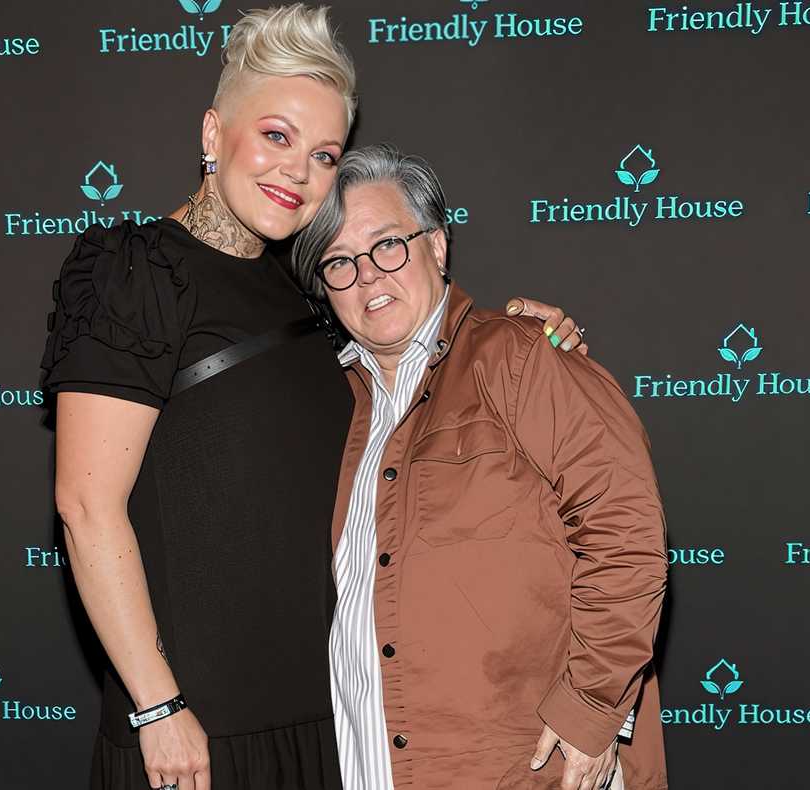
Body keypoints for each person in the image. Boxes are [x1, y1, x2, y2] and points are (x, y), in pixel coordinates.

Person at [41, 7, 585, 790]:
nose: (298, 171)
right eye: (276, 136)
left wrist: (519, 332)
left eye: (325, 153)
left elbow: (411, 370)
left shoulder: (310, 289)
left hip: (330, 720)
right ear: (211, 133)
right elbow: (86, 506)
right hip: (196, 731)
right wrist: (157, 707)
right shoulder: (136, 275)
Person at [291, 143, 668, 790]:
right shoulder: (323, 407)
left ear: (437, 245)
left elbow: (626, 529)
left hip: (517, 767)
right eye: (340, 263)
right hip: (367, 764)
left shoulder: (518, 358)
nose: (368, 277)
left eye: (387, 245)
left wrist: (590, 707)